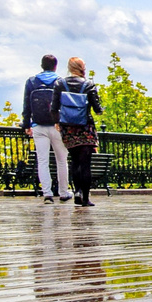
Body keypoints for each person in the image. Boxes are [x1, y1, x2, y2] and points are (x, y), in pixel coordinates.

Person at [22, 54, 71, 203]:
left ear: (41, 65)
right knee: (62, 160)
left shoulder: (31, 81)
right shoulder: (61, 82)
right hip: (57, 126)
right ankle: (63, 193)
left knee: (42, 160)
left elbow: (26, 105)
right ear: (55, 66)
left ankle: (47, 194)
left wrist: (26, 125)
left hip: (38, 126)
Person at [59, 57, 103, 207]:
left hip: (68, 128)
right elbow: (97, 109)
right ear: (82, 68)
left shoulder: (60, 84)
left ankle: (77, 190)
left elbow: (54, 107)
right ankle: (85, 197)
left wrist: (58, 123)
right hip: (85, 127)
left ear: (70, 68)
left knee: (74, 161)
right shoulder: (89, 84)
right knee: (85, 164)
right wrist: (100, 110)